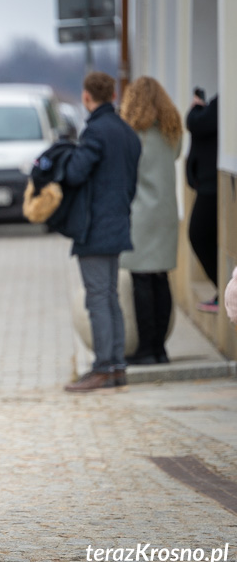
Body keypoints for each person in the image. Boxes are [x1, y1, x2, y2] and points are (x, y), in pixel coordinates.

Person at [62, 72, 141, 393]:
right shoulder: (126, 131)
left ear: (86, 97)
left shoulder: (95, 132)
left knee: (98, 298)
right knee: (110, 296)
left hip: (95, 226)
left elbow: (75, 173)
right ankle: (117, 366)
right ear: (112, 95)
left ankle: (104, 367)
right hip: (119, 221)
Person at [119, 76, 183, 365]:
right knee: (161, 278)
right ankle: (161, 349)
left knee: (141, 280)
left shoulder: (132, 135)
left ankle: (146, 349)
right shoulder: (171, 132)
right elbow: (178, 155)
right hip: (167, 214)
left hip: (140, 216)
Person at [186, 93, 219, 312]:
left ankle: (225, 290)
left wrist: (195, 110)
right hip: (209, 183)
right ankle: (224, 290)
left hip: (212, 185)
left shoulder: (224, 99)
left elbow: (197, 123)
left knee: (198, 233)